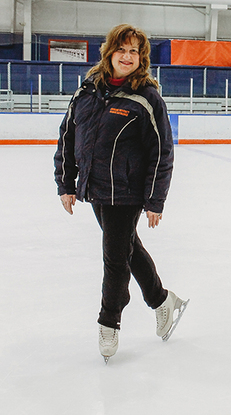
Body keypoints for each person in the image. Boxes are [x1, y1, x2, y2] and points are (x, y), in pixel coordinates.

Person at [54, 23, 187, 363]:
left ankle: (109, 321)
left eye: (134, 52)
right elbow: (68, 137)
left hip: (126, 192)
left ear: (141, 59)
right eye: (121, 49)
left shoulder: (146, 97)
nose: (127, 57)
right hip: (96, 188)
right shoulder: (86, 92)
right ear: (109, 52)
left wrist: (155, 200)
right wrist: (66, 183)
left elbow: (162, 152)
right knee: (128, 248)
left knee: (115, 258)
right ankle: (162, 301)